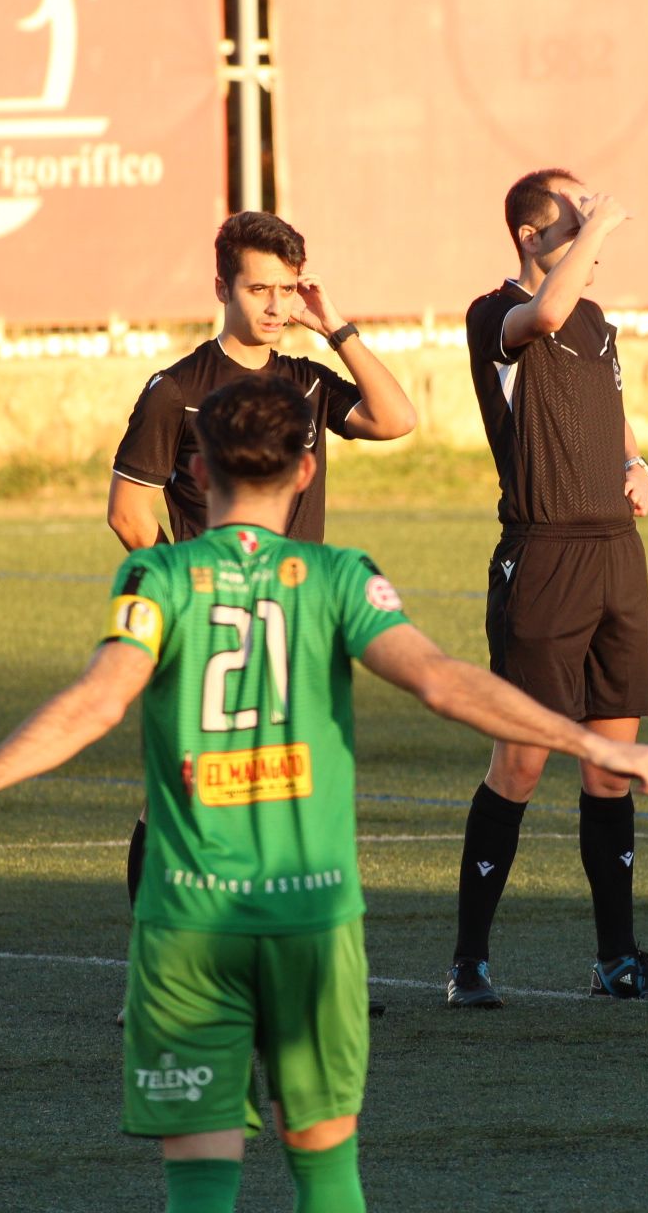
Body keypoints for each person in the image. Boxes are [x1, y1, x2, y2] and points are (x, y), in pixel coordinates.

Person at [0, 373, 648, 1213]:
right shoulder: (338, 578)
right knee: (326, 1169)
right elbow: (443, 682)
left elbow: (97, 701)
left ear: (195, 470)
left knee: (199, 1177)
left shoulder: (156, 581)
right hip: (310, 921)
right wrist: (590, 741)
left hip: (189, 926)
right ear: (306, 471)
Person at [107, 211, 417, 973]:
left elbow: (394, 418)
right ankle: (160, 963)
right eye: (260, 289)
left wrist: (334, 325)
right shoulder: (178, 390)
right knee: (182, 797)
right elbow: (127, 510)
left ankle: (290, 965)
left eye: (287, 289)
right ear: (222, 288)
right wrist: (195, 593)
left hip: (295, 622)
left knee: (289, 789)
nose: (276, 305)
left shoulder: (305, 381)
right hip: (209, 624)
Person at [444, 168, 648, 1008]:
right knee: (521, 759)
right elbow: (544, 313)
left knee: (612, 765)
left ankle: (617, 959)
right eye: (574, 211)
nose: (591, 218)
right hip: (544, 556)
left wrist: (635, 464)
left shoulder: (595, 319)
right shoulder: (500, 313)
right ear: (531, 234)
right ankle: (469, 963)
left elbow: (613, 407)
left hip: (614, 556)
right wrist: (606, 225)